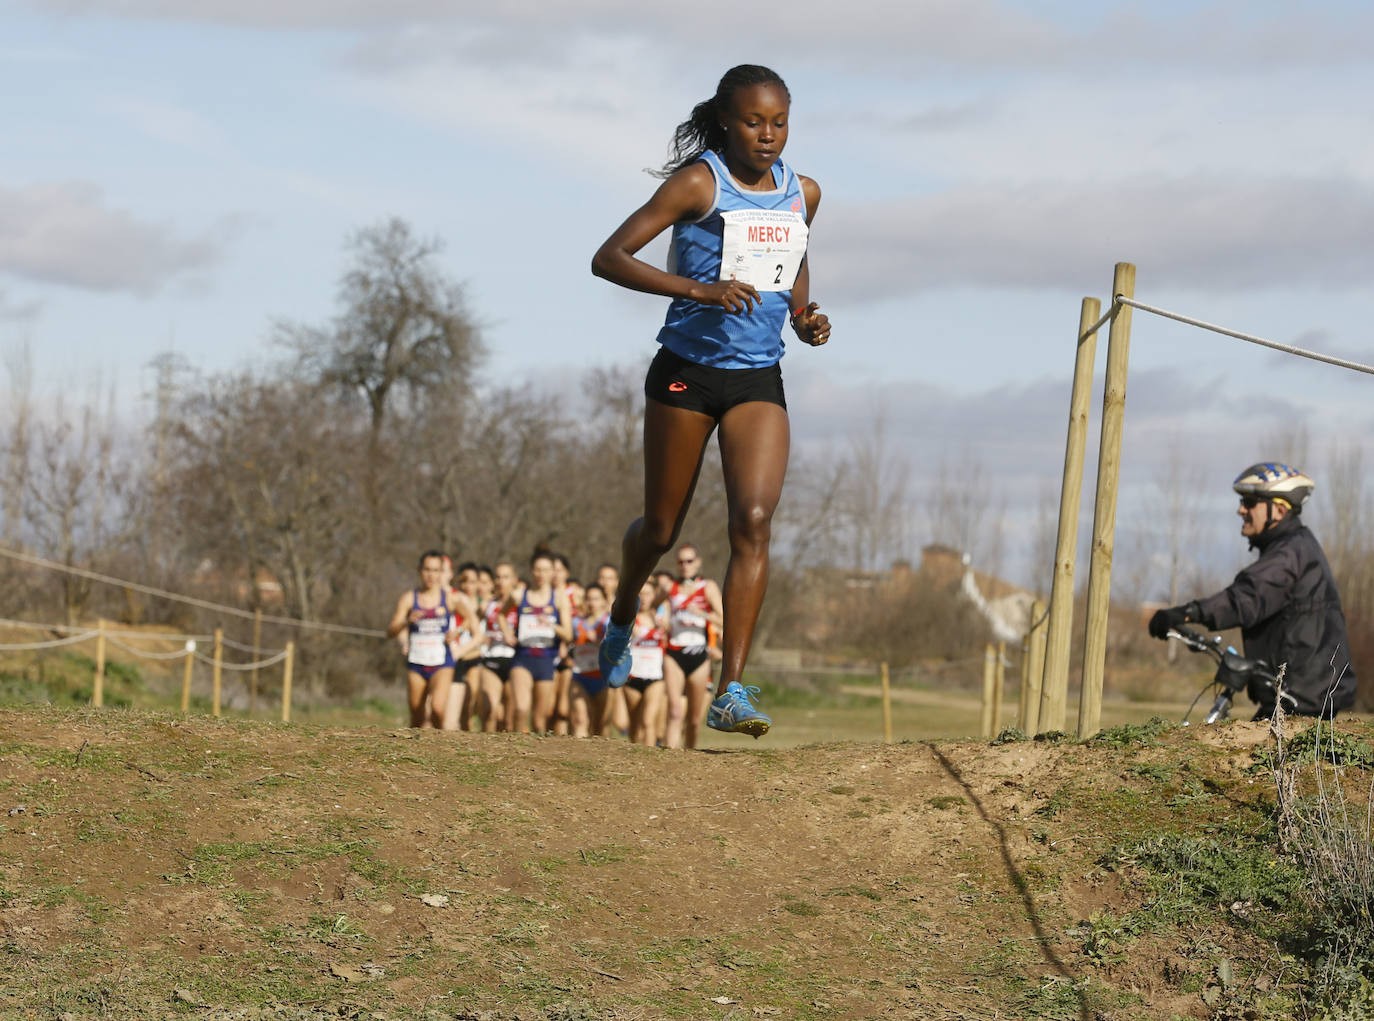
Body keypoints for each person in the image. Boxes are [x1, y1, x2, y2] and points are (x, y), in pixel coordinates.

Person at [590, 64, 829, 739]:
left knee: (753, 520)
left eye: (779, 123)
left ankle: (730, 690)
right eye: (754, 121)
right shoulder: (699, 182)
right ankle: (622, 610)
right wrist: (701, 291)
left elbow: (795, 267)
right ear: (727, 120)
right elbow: (609, 257)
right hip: (686, 374)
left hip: (758, 376)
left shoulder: (802, 192)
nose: (768, 135)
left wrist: (805, 316)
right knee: (661, 530)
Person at [1148, 462, 1357, 719]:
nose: (1240, 510)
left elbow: (1246, 598)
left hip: (1302, 703)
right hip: (1298, 697)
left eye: (1249, 502)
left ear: (1279, 509)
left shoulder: (1290, 554)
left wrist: (1187, 613)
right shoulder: (1294, 547)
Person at [386, 550, 459, 729]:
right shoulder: (410, 598)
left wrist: (458, 632)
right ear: (419, 570)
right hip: (417, 662)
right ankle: (416, 750)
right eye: (427, 569)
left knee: (437, 709)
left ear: (441, 573)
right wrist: (406, 621)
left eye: (435, 570)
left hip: (442, 662)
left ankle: (439, 746)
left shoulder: (449, 598)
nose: (431, 575)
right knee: (417, 714)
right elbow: (390, 631)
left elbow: (472, 622)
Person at [503, 552, 574, 733]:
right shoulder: (519, 595)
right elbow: (500, 614)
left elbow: (568, 635)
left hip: (546, 661)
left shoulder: (559, 599)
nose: (541, 574)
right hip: (522, 658)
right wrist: (506, 633)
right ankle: (517, 749)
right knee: (521, 708)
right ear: (531, 571)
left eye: (545, 570)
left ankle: (535, 758)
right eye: (537, 570)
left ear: (552, 572)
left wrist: (550, 624)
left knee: (540, 720)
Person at [663, 543, 724, 748]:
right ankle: (669, 758)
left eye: (689, 561)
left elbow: (723, 620)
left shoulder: (707, 587)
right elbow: (651, 605)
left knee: (694, 720)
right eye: (680, 561)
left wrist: (702, 614)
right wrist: (659, 618)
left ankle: (690, 759)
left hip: (699, 654)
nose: (685, 565)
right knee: (674, 712)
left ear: (698, 562)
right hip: (674, 653)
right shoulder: (670, 587)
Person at [623, 582, 668, 746]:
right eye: (640, 594)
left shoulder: (661, 618)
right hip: (633, 676)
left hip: (656, 677)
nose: (644, 598)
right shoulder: (629, 618)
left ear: (654, 596)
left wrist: (665, 629)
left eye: (648, 594)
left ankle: (649, 761)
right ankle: (636, 759)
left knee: (648, 721)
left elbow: (672, 636)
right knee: (635, 726)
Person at [568, 583, 612, 737]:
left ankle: (600, 759)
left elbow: (616, 644)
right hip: (580, 676)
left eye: (596, 599)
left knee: (601, 724)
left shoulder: (608, 622)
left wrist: (599, 641)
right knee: (580, 720)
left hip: (602, 678)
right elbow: (567, 638)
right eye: (588, 599)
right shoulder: (576, 622)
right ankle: (578, 759)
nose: (592, 603)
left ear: (604, 601)